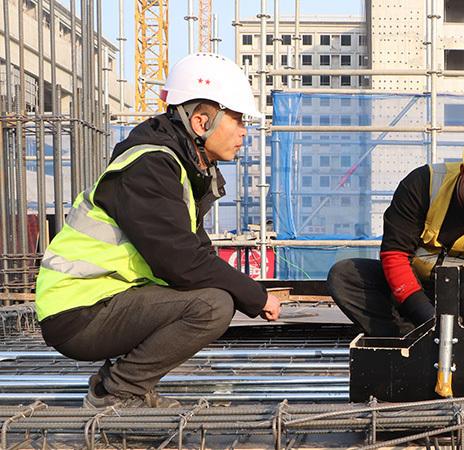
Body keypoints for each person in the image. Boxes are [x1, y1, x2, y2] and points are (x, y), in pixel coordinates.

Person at [35, 53, 282, 408]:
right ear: (201, 122)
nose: (244, 131)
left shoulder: (176, 166)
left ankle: (122, 382)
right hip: (79, 311)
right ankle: (117, 390)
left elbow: (194, 254)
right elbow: (181, 262)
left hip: (102, 300)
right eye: (238, 119)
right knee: (212, 306)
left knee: (213, 294)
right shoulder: (149, 168)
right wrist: (256, 297)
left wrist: (247, 292)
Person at [328, 123, 464, 339]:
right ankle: (410, 338)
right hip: (414, 292)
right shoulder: (424, 185)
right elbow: (395, 255)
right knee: (345, 275)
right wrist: (427, 318)